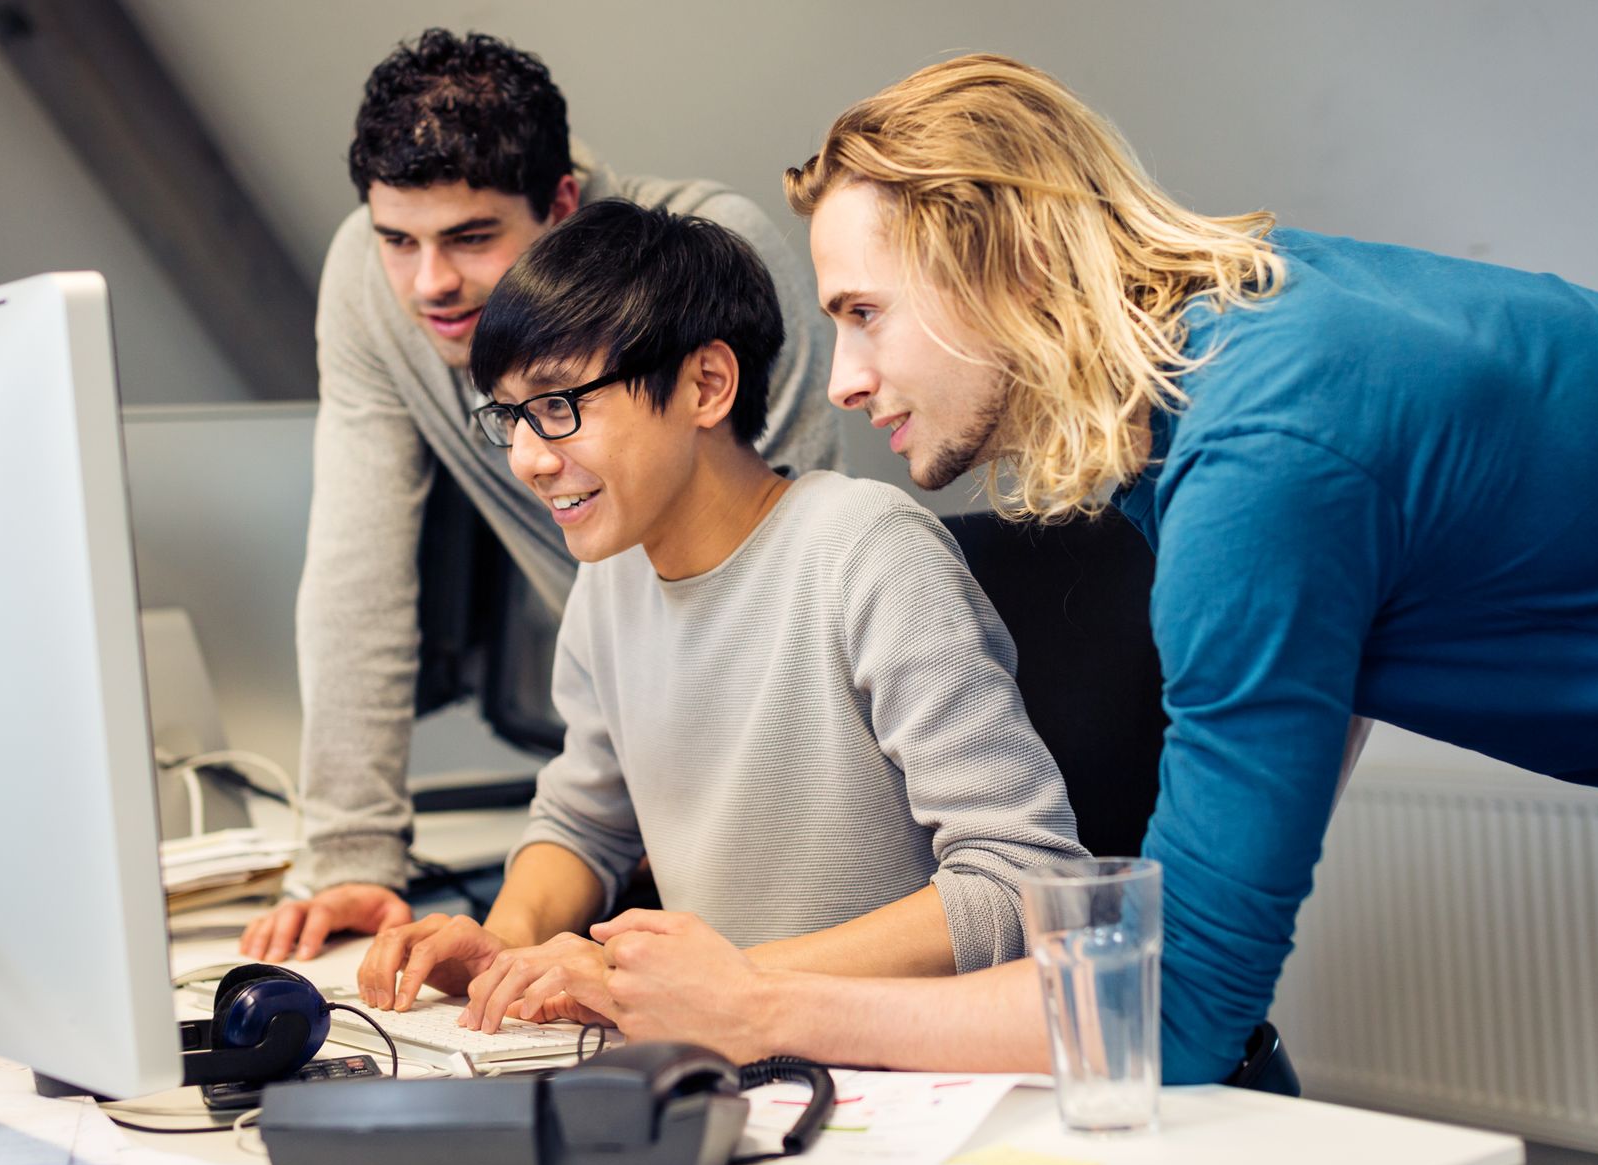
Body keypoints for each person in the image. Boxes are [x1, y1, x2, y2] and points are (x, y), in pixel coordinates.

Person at [543, 55, 1598, 1165]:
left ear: (1013, 263)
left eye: (865, 312)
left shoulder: (1261, 451)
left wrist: (762, 1005)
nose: (842, 378)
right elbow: (1320, 678)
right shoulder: (1212, 361)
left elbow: (1182, 1016)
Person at [349, 198, 1088, 1030]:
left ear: (706, 385)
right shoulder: (609, 582)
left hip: (900, 1076)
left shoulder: (866, 550)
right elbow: (583, 822)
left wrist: (727, 985)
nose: (526, 458)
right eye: (510, 416)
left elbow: (1020, 881)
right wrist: (505, 940)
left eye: (559, 406)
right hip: (734, 1065)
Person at [238, 30, 838, 963]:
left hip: (754, 781)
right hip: (602, 746)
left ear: (561, 202)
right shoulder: (367, 280)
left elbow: (768, 588)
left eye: (472, 238)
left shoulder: (703, 269)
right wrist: (352, 851)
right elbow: (359, 568)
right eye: (397, 239)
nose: (430, 283)